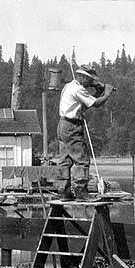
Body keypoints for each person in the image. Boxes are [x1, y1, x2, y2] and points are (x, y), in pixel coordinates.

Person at [56, 64, 113, 201]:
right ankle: (81, 192)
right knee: (82, 159)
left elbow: (86, 104)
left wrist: (98, 91)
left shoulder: (70, 86)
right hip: (72, 126)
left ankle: (64, 191)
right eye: (89, 80)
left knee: (65, 159)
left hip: (63, 125)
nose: (90, 83)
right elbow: (95, 104)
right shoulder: (78, 89)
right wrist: (107, 93)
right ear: (82, 77)